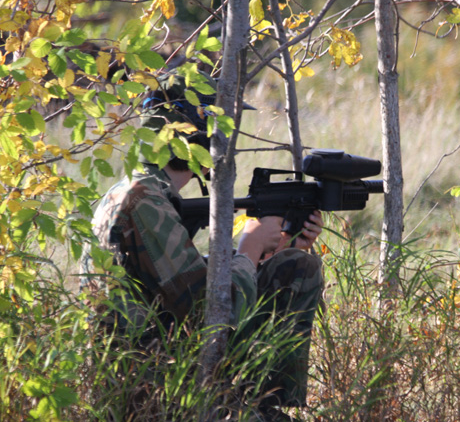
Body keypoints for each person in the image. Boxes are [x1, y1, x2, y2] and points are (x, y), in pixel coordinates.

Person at [81, 71, 324, 418]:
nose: (226, 139)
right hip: (150, 394)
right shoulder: (142, 201)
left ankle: (262, 403)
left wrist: (280, 249)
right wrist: (249, 248)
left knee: (296, 267)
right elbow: (206, 315)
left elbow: (177, 282)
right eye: (220, 126)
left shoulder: (144, 192)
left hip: (160, 371)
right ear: (194, 130)